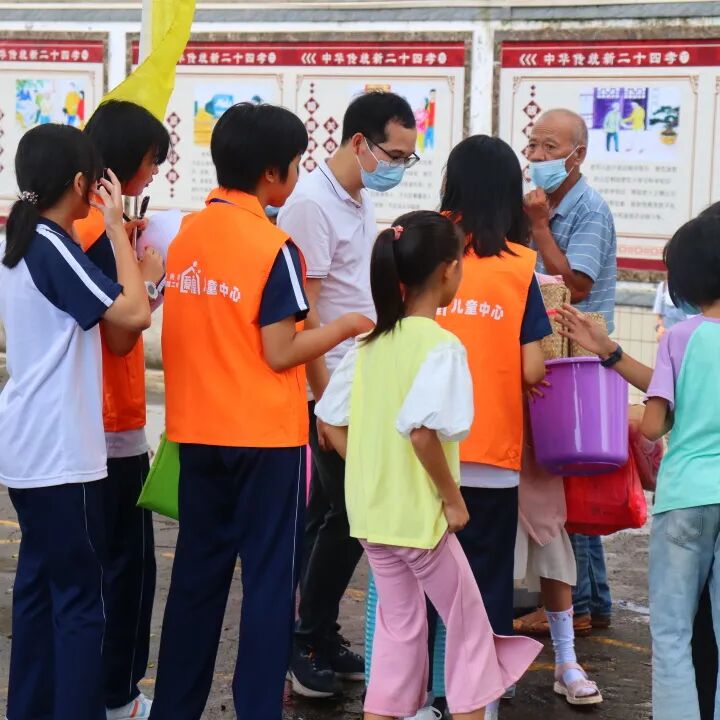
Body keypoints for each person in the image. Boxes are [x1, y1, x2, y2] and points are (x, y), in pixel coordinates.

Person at [149, 102, 373, 720]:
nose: (299, 174)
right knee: (270, 584)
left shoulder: (186, 235)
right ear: (274, 173)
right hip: (266, 442)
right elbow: (280, 351)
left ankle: (174, 709)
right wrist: (345, 327)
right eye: (297, 164)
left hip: (196, 433)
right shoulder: (275, 248)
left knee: (196, 581)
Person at [315, 210, 543, 720]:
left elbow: (329, 421)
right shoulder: (442, 347)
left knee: (399, 631)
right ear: (447, 270)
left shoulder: (370, 344)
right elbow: (421, 434)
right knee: (469, 632)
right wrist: (452, 499)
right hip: (420, 522)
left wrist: (372, 466)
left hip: (373, 518)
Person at [0, 124, 151, 720]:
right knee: (81, 603)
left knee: (40, 593)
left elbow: (99, 314)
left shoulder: (23, 241)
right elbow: (133, 314)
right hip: (62, 451)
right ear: (83, 182)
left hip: (30, 448)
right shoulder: (52, 243)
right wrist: (116, 231)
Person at [277, 90, 418, 698]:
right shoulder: (311, 204)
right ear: (360, 142)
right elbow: (302, 312)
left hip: (356, 381)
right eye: (395, 155)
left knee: (327, 517)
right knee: (350, 516)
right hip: (331, 387)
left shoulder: (357, 198)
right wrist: (324, 403)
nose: (399, 168)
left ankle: (315, 631)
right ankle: (304, 640)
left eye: (408, 158)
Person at [558, 210, 720, 720]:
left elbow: (653, 425)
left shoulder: (681, 337)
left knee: (671, 633)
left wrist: (646, 409)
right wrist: (611, 351)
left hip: (685, 499)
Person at [434, 135, 551, 719]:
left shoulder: (424, 248)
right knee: (484, 584)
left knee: (427, 582)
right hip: (492, 452)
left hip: (426, 452)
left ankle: (429, 695)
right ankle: (478, 699)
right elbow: (532, 367)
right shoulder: (520, 266)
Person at [75, 99, 169, 720]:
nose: (155, 171)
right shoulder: (102, 233)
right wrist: (150, 279)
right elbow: (118, 332)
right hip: (111, 423)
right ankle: (118, 696)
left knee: (104, 567)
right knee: (126, 571)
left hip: (97, 420)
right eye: (152, 159)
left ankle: (103, 691)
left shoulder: (76, 224)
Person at [522, 108, 616, 654]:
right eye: (533, 144)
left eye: (549, 147)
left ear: (577, 154)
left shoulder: (588, 209)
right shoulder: (545, 201)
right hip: (555, 350)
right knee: (575, 477)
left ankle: (574, 604)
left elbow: (575, 285)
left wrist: (538, 227)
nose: (537, 156)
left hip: (579, 358)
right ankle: (593, 599)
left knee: (568, 472)